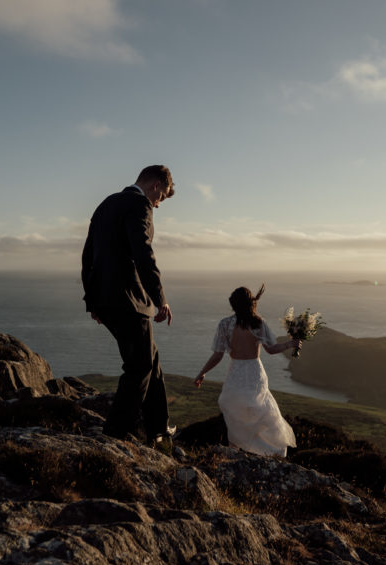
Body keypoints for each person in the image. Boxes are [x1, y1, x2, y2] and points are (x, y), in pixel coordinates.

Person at [81, 164, 175, 443]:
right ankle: (115, 435)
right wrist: (160, 299)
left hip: (105, 300)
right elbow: (143, 254)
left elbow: (88, 256)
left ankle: (158, 426)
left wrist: (93, 301)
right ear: (156, 185)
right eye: (162, 197)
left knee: (149, 357)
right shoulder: (140, 205)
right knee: (139, 367)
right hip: (129, 300)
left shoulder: (106, 203)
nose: (158, 205)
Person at [193, 285, 301, 457]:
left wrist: (202, 373)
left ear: (234, 305)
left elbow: (217, 355)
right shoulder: (258, 323)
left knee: (234, 408)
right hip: (254, 372)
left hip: (235, 372)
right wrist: (290, 344)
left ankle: (234, 451)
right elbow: (271, 349)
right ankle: (269, 451)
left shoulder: (225, 324)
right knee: (258, 410)